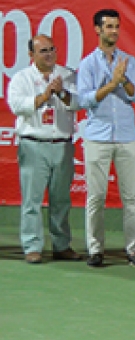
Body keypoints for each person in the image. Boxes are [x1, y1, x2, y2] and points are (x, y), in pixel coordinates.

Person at [77, 9, 135, 268]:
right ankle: (95, 250)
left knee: (131, 197)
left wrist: (123, 79)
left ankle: (134, 250)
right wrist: (110, 84)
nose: (114, 31)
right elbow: (84, 100)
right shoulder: (87, 64)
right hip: (97, 137)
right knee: (96, 196)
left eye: (116, 27)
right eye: (108, 27)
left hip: (127, 136)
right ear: (97, 29)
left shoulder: (129, 61)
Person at [6, 35, 82, 264]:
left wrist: (62, 93)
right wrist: (44, 96)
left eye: (52, 49)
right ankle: (32, 245)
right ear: (31, 55)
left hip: (61, 144)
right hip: (33, 144)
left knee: (61, 199)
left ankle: (62, 245)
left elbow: (80, 103)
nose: (49, 54)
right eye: (43, 51)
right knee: (32, 200)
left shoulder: (67, 75)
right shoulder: (21, 78)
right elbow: (17, 106)